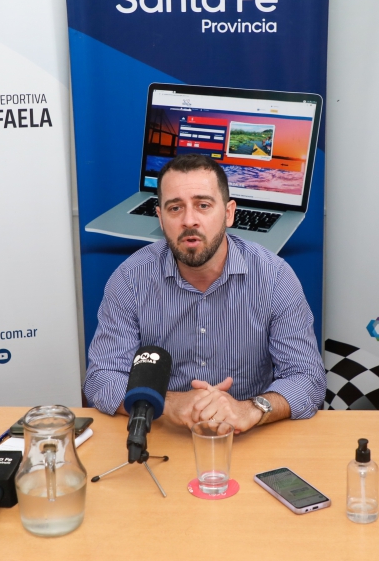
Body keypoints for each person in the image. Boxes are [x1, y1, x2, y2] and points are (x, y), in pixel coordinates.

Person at [84, 154, 325, 433]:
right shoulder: (130, 279)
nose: (190, 220)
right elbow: (101, 377)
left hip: (249, 436)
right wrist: (168, 403)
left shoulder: (274, 277)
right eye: (175, 208)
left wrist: (250, 409)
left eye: (203, 205)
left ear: (229, 213)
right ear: (160, 218)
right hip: (163, 435)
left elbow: (307, 378)